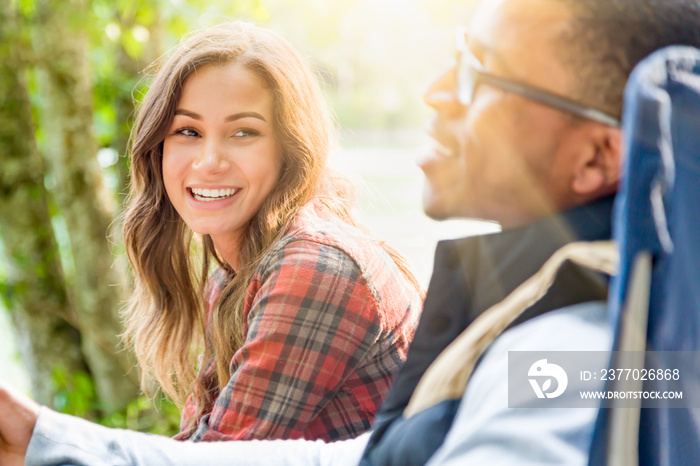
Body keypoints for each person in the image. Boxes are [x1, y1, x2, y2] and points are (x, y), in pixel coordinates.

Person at [2, 0, 700, 464]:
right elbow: (350, 457)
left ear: (596, 157)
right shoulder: (565, 325)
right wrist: (45, 437)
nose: (435, 92)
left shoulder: (580, 354)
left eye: (482, 73)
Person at [115, 21, 424, 443]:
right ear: (158, 149)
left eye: (244, 132)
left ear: (289, 150)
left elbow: (218, 458)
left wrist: (42, 439)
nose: (209, 161)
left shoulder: (315, 269)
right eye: (188, 131)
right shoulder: (233, 272)